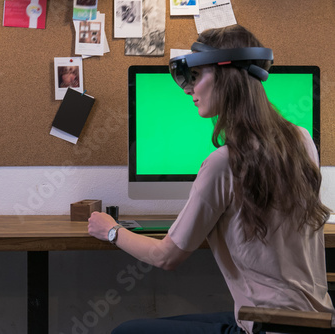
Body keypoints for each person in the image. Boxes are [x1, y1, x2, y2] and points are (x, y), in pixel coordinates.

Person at [88, 24, 335, 334]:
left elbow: (167, 257)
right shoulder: (301, 140)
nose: (189, 89)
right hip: (316, 322)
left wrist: (111, 231)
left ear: (226, 77)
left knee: (127, 331)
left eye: (197, 76)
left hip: (267, 326)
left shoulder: (223, 163)